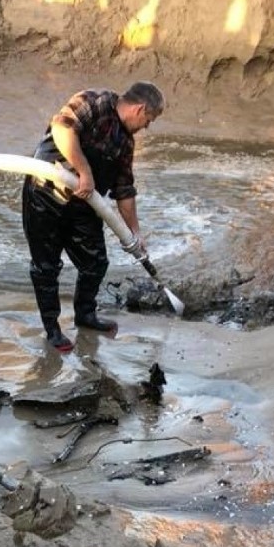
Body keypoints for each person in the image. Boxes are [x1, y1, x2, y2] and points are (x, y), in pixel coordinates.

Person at [22, 82, 165, 354]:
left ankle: (85, 314)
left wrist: (133, 234)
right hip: (45, 195)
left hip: (85, 205)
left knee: (96, 262)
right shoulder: (93, 103)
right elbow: (62, 129)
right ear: (140, 108)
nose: (147, 126)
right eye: (150, 119)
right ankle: (52, 328)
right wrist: (83, 170)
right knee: (46, 267)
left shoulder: (125, 143)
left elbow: (124, 190)